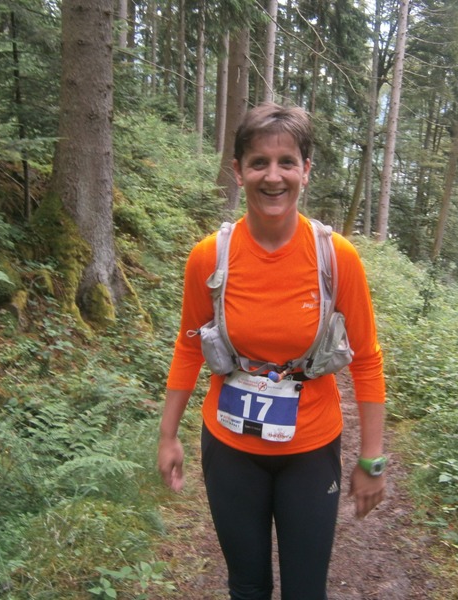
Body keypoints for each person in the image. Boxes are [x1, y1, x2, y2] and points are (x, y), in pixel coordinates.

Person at [157, 102, 387, 600]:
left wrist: (372, 459)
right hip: (229, 448)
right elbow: (189, 346)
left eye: (287, 162)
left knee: (306, 591)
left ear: (306, 170)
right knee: (247, 587)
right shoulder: (209, 257)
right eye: (259, 162)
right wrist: (168, 435)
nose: (273, 176)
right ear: (238, 171)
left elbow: (367, 358)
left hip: (312, 449)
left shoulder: (336, 257)